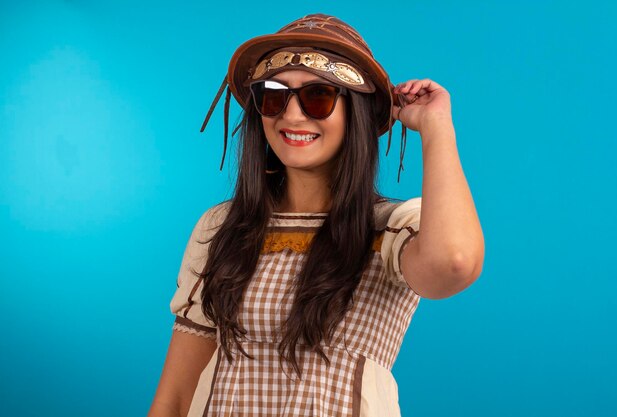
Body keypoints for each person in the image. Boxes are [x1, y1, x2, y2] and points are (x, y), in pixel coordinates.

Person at [148, 13, 484, 417]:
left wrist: (436, 127)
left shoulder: (390, 228)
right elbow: (175, 398)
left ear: (353, 113)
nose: (291, 116)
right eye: (274, 95)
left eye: (318, 96)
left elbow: (454, 262)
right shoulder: (222, 227)